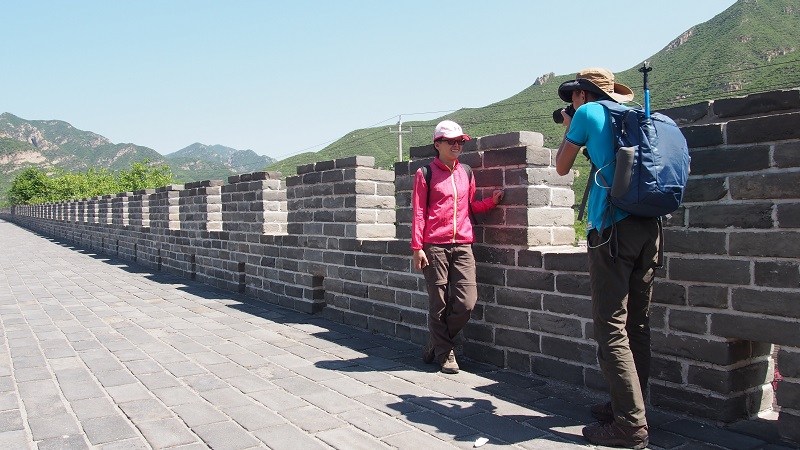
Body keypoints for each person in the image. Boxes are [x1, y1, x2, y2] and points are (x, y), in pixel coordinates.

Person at [554, 68, 657, 450]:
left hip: (612, 227)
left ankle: (630, 425)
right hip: (650, 227)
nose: (571, 103)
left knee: (611, 326)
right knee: (637, 325)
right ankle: (627, 407)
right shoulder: (635, 116)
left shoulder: (586, 113)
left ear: (582, 93)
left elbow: (561, 166)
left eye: (573, 96)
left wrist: (570, 126)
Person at [411, 120, 503, 374]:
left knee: (466, 302)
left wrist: (491, 203)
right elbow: (418, 213)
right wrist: (417, 247)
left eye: (460, 141)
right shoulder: (425, 173)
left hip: (463, 243)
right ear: (437, 144)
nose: (457, 145)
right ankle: (445, 353)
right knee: (438, 304)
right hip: (434, 246)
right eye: (451, 141)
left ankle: (437, 341)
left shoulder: (467, 172)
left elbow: (469, 206)